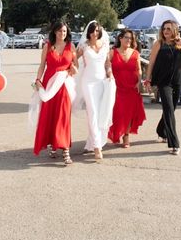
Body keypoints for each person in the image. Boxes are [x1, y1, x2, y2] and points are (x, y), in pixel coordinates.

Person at [143, 20, 181, 155]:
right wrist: (148, 79)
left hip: (177, 81)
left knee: (171, 109)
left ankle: (161, 131)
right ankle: (174, 143)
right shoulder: (159, 44)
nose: (165, 31)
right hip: (163, 82)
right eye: (164, 29)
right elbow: (152, 62)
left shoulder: (180, 44)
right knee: (168, 110)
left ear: (174, 30)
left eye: (168, 29)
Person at [33, 20, 77, 165]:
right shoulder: (48, 46)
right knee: (50, 115)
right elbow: (42, 65)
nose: (62, 34)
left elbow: (75, 66)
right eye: (59, 31)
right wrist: (38, 79)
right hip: (49, 84)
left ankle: (65, 150)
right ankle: (52, 144)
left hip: (64, 84)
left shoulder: (71, 46)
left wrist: (74, 69)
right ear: (54, 32)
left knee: (63, 115)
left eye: (64, 31)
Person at [76, 20, 115, 161]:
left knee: (100, 112)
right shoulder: (84, 46)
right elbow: (74, 58)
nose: (95, 33)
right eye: (92, 30)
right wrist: (73, 68)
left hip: (102, 82)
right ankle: (97, 147)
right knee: (92, 112)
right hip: (88, 82)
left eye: (97, 31)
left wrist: (110, 73)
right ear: (89, 32)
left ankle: (92, 141)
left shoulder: (105, 45)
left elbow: (107, 63)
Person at [108, 29, 147, 148]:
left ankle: (126, 135)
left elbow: (139, 69)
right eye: (126, 37)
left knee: (129, 112)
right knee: (118, 112)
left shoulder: (135, 53)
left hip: (132, 87)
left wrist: (139, 81)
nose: (129, 40)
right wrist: (108, 74)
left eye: (131, 38)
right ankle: (117, 132)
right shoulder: (112, 52)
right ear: (120, 38)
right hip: (116, 87)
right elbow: (106, 65)